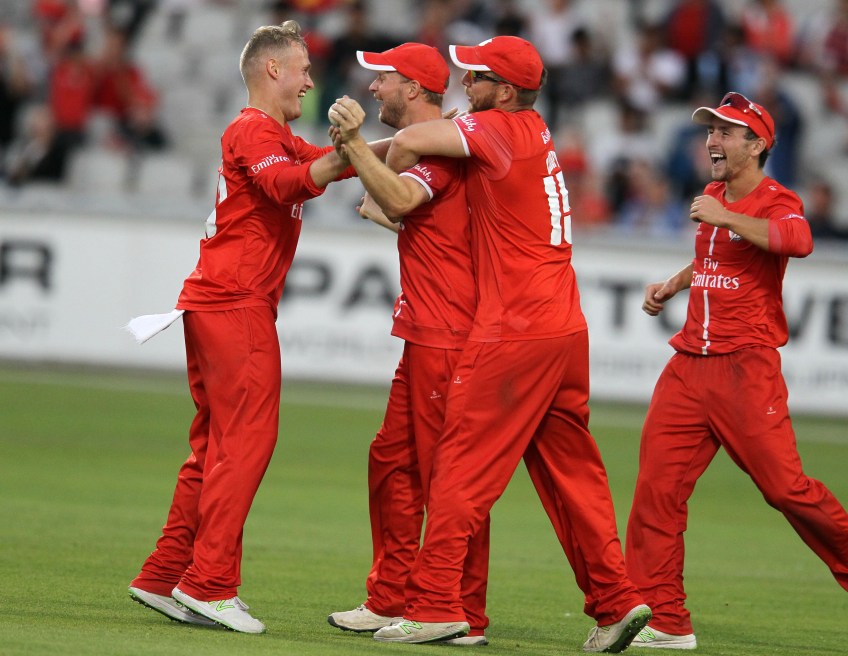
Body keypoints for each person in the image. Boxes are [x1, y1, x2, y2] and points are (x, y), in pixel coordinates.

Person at [331, 35, 651, 652]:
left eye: (475, 77)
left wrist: (365, 145)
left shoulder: (494, 129)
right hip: (563, 323)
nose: (465, 85)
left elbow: (408, 154)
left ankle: (437, 606)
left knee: (459, 470)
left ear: (504, 92)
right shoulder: (529, 128)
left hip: (516, 327)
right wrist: (367, 153)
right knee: (571, 476)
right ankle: (616, 598)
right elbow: (408, 161)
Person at [126, 19, 385, 634]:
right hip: (234, 304)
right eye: (302, 70)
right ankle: (209, 584)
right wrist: (351, 148)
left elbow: (329, 163)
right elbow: (285, 183)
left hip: (217, 303)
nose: (310, 82)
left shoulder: (273, 134)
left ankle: (165, 574)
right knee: (246, 443)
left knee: (214, 449)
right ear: (273, 69)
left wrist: (398, 143)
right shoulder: (253, 130)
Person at [625, 91, 848, 649]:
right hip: (688, 367)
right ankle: (666, 620)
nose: (712, 141)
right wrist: (675, 283)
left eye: (725, 132)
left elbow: (799, 241)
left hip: (745, 369)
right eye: (711, 131)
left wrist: (725, 216)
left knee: (786, 490)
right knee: (656, 492)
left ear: (757, 145)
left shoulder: (776, 199)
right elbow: (714, 258)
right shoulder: (712, 196)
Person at [324, 42, 490, 646]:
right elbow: (417, 211)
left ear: (415, 88)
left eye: (384, 78)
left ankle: (459, 608)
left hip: (448, 336)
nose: (373, 87)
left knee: (451, 477)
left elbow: (400, 197)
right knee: (393, 461)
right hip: (427, 330)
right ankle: (391, 595)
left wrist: (353, 145)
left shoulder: (440, 150)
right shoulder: (432, 145)